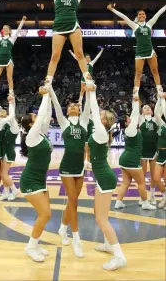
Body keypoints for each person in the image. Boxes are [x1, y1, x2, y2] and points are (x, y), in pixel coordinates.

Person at [23, 0, 106, 89]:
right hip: (58, 28)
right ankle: (48, 81)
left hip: (73, 26)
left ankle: (88, 78)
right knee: (55, 55)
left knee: (79, 53)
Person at [88, 87, 127, 271]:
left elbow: (94, 110)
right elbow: (92, 111)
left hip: (104, 178)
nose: (98, 115)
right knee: (98, 214)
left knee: (102, 219)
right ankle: (107, 244)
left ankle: (119, 256)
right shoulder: (100, 132)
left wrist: (91, 91)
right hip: (103, 176)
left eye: (100, 115)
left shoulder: (101, 131)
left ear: (103, 120)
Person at [49, 85, 90, 258]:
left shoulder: (85, 121)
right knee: (73, 202)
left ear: (80, 111)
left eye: (76, 106)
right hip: (66, 167)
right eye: (70, 106)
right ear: (67, 111)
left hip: (80, 168)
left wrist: (88, 86)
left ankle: (62, 228)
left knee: (73, 202)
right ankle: (76, 239)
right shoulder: (64, 122)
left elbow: (88, 104)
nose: (74, 107)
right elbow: (57, 105)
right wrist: (51, 89)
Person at [20, 89, 53, 262]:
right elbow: (41, 116)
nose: (37, 118)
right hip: (30, 180)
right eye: (34, 117)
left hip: (41, 179)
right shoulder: (31, 136)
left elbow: (46, 115)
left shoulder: (40, 133)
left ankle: (35, 243)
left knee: (46, 214)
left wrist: (49, 91)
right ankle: (30, 247)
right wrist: (45, 95)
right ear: (31, 124)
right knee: (45, 214)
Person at [107, 3, 166, 97]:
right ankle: (136, 93)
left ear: (145, 16)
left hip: (150, 51)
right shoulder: (135, 26)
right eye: (140, 14)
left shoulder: (149, 24)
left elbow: (158, 13)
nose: (142, 15)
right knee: (138, 73)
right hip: (139, 52)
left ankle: (159, 91)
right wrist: (112, 10)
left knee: (155, 71)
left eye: (143, 14)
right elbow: (124, 17)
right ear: (137, 17)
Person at [115, 98, 156, 210]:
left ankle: (118, 202)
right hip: (131, 160)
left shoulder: (127, 130)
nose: (130, 119)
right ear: (127, 122)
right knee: (141, 182)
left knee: (125, 183)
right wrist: (136, 102)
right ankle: (145, 203)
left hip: (124, 159)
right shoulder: (131, 129)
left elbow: (134, 116)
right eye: (129, 119)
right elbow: (135, 114)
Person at [0, 101, 20, 201]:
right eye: (0, 111)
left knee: (3, 174)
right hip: (2, 151)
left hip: (8, 152)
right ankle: (6, 193)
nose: (2, 112)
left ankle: (14, 190)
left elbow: (12, 115)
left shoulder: (11, 126)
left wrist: (11, 102)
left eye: (4, 111)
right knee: (3, 174)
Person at [139, 104, 158, 205]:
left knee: (154, 175)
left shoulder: (155, 119)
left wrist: (160, 98)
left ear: (152, 111)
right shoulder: (141, 119)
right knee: (142, 175)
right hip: (143, 150)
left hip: (153, 150)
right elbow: (135, 108)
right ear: (142, 111)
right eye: (145, 108)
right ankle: (142, 196)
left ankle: (152, 195)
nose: (147, 109)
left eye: (149, 108)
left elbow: (159, 109)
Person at [154, 96, 166, 209]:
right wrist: (159, 98)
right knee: (156, 178)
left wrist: (163, 99)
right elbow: (157, 113)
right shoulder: (162, 124)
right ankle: (165, 196)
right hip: (160, 154)